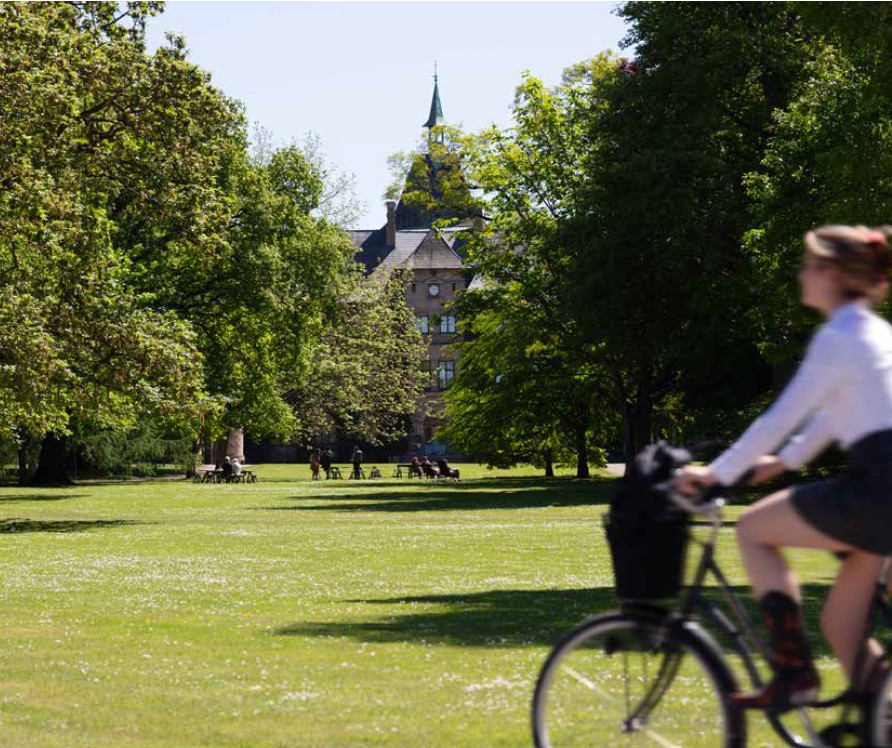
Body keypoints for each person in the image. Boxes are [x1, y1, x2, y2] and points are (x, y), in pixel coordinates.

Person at [674, 225, 892, 710]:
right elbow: (840, 411)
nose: (801, 274)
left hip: (877, 488)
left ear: (832, 274)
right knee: (841, 627)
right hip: (884, 494)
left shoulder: (838, 335)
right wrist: (787, 461)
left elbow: (779, 418)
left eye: (809, 265)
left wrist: (716, 475)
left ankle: (793, 674)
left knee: (752, 529)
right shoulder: (876, 333)